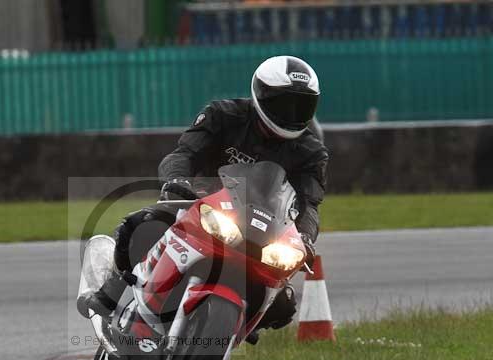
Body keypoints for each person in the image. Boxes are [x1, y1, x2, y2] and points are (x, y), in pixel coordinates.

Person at [78, 55, 328, 340]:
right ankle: (110, 294)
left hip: (263, 228)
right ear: (262, 94)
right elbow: (183, 154)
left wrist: (306, 238)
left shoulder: (311, 152)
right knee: (143, 225)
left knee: (283, 305)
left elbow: (310, 203)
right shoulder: (223, 115)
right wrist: (177, 181)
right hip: (203, 207)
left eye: (302, 105)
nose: (292, 113)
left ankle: (231, 326)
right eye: (285, 104)